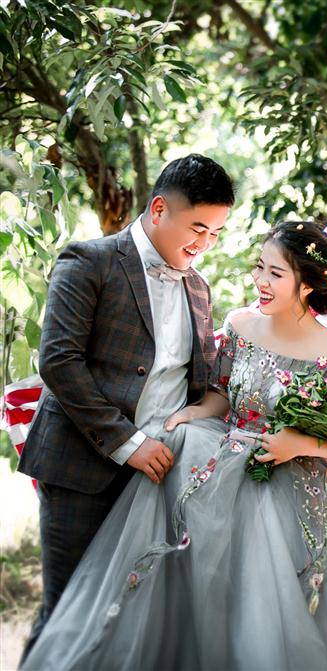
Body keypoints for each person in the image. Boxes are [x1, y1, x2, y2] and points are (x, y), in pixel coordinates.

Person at [20, 221, 327, 670]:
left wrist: (298, 442)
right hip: (226, 480)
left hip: (295, 497)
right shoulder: (241, 324)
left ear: (307, 286)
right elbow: (222, 393)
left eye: (275, 274)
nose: (260, 282)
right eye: (259, 268)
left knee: (277, 612)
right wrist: (192, 413)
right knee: (210, 600)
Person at [16, 154, 235, 663]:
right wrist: (129, 443)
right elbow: (59, 360)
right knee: (68, 615)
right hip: (81, 471)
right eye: (198, 228)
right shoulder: (88, 262)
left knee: (129, 620)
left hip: (156, 482)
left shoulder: (199, 289)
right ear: (159, 209)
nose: (205, 244)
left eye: (217, 234)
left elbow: (196, 384)